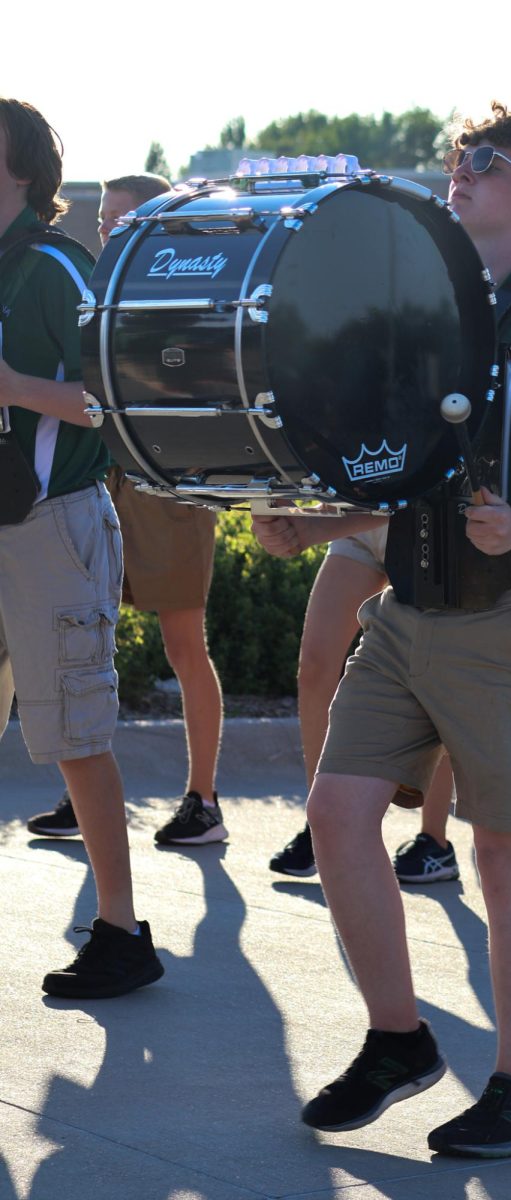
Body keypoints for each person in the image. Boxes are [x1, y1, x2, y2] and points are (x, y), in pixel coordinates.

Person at [253, 103, 511, 1157]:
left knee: (505, 856)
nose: (458, 173)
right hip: (408, 611)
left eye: (486, 163)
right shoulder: (430, 313)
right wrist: (315, 526)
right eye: (456, 159)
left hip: (510, 621)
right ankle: (399, 1040)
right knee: (337, 816)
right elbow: (412, 489)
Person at [0, 98, 163, 997]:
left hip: (51, 527)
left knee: (74, 733)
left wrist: (17, 385)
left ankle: (121, 932)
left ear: (21, 165)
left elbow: (117, 400)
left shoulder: (60, 267)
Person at [26, 174, 226, 847]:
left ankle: (203, 799)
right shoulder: (89, 289)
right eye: (106, 217)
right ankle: (79, 796)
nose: (111, 228)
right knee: (86, 646)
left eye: (126, 217)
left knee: (182, 646)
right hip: (96, 481)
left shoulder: (193, 289)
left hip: (167, 486)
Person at [269, 526, 460, 884]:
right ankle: (321, 828)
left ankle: (435, 841)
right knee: (315, 665)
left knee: (435, 673)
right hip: (362, 525)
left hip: (427, 518)